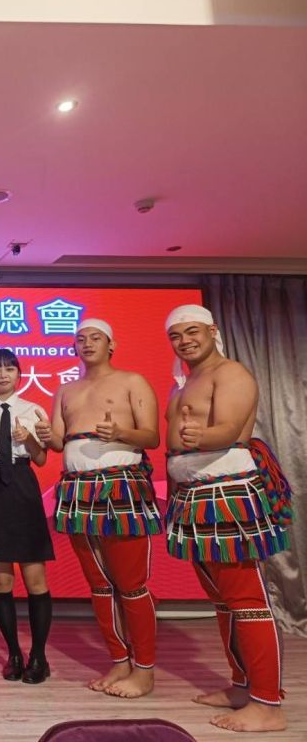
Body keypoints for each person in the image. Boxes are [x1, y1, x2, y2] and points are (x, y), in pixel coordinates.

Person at [163, 304, 291, 733]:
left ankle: (267, 704)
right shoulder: (185, 385)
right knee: (223, 601)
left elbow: (231, 430)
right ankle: (242, 685)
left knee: (247, 600)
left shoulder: (230, 373)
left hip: (228, 492)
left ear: (212, 330)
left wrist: (203, 435)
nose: (184, 340)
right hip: (194, 496)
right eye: (176, 335)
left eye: (192, 331)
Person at [36, 319, 161, 698]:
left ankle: (144, 669)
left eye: (95, 337)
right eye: (80, 338)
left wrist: (120, 433)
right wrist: (46, 436)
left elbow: (151, 436)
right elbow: (58, 443)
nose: (87, 343)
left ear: (112, 344)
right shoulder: (65, 390)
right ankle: (119, 661)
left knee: (131, 584)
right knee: (99, 584)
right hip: (77, 489)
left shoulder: (132, 381)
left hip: (121, 483)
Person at [0, 348, 54, 684]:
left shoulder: (33, 410)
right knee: (1, 580)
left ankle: (39, 656)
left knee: (35, 579)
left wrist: (28, 438)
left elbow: (42, 459)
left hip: (23, 485)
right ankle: (14, 653)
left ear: (19, 374)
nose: (2, 375)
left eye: (9, 369)